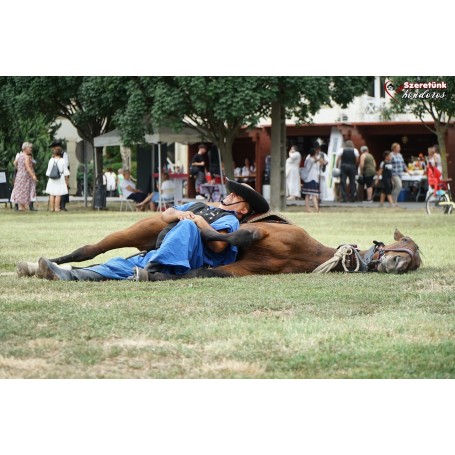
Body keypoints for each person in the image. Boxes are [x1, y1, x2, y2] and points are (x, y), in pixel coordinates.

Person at [36, 178, 270, 281]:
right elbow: (165, 214)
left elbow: (219, 244)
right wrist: (179, 213)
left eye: (237, 196)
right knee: (120, 264)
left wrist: (195, 220)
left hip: (191, 258)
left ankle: (155, 268)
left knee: (188, 225)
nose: (231, 194)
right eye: (232, 191)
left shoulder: (232, 222)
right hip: (166, 249)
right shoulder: (199, 204)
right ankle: (67, 274)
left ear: (242, 210)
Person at [10, 142, 38, 211]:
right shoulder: (26, 157)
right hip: (26, 176)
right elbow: (28, 168)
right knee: (29, 189)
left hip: (19, 175)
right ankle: (30, 206)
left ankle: (17, 205)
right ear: (25, 148)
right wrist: (33, 176)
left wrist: (19, 168)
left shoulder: (20, 155)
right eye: (30, 148)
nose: (31, 149)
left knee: (18, 189)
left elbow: (14, 163)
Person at [44, 143, 70, 212]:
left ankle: (52, 208)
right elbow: (66, 171)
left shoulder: (51, 160)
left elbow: (48, 171)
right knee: (58, 194)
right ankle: (57, 208)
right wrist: (67, 180)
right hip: (60, 178)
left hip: (52, 178)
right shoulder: (62, 161)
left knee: (52, 193)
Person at [301, 148, 322, 212]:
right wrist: (317, 157)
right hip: (311, 179)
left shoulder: (308, 159)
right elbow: (318, 161)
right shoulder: (311, 160)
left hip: (309, 179)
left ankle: (308, 208)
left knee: (308, 195)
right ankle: (316, 209)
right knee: (313, 194)